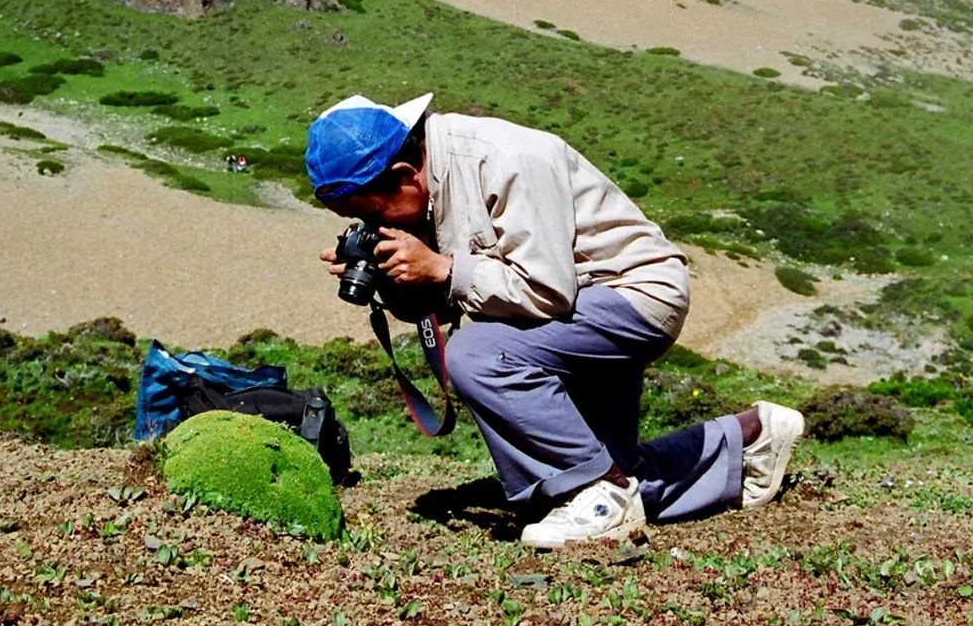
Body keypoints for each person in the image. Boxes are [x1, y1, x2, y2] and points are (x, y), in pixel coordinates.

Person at [305, 92, 804, 550]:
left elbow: (544, 290)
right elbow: (444, 300)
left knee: (477, 355)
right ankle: (746, 444)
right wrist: (396, 278)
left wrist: (442, 268)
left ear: (403, 175)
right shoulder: (425, 183)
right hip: (570, 314)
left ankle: (600, 494)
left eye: (372, 214)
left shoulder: (504, 160)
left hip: (630, 296)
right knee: (598, 476)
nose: (377, 228)